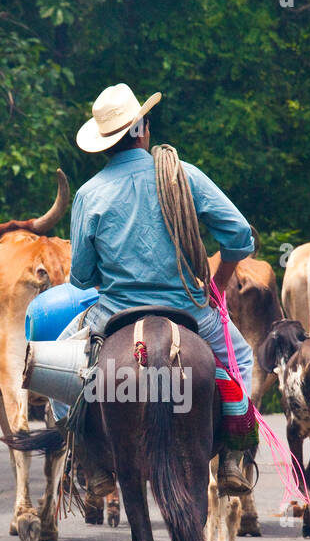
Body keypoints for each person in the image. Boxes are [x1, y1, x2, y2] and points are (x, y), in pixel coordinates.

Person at [56, 82, 257, 494]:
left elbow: (80, 278)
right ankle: (236, 456)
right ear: (143, 128)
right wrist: (215, 288)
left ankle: (90, 462)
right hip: (189, 307)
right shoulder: (186, 176)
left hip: (113, 314)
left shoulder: (88, 194)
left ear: (103, 144)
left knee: (56, 373)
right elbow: (239, 236)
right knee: (242, 358)